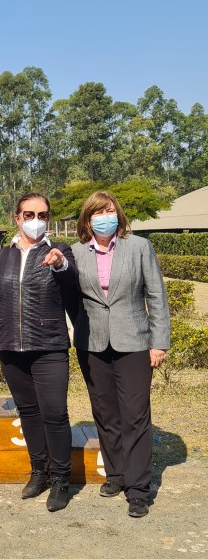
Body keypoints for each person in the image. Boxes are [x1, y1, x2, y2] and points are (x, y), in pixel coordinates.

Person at [72, 191, 170, 518]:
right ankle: (116, 475)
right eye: (98, 213)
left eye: (110, 211)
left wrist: (159, 342)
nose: (105, 218)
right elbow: (72, 300)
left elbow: (156, 296)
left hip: (135, 342)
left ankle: (138, 489)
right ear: (88, 219)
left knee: (135, 415)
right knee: (105, 413)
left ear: (119, 215)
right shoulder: (76, 253)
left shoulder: (139, 247)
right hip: (92, 344)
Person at [0, 193, 78, 512]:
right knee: (29, 412)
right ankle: (39, 472)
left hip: (49, 345)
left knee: (55, 413)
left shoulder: (59, 250)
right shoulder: (0, 256)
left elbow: (71, 282)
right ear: (17, 217)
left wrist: (60, 265)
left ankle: (61, 479)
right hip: (10, 347)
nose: (36, 220)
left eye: (42, 215)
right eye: (29, 214)